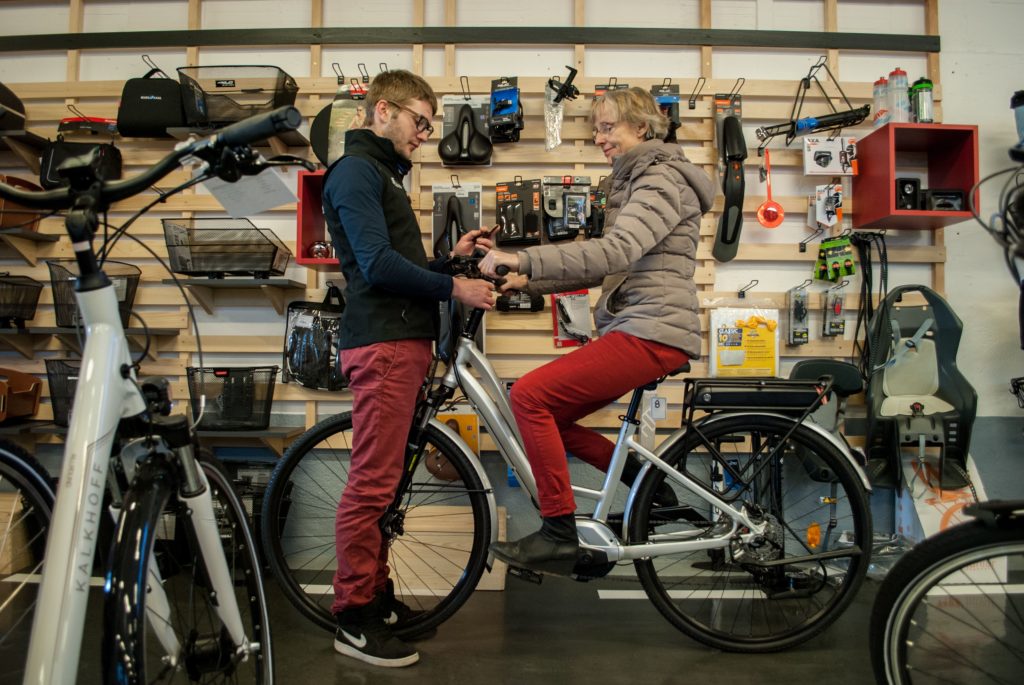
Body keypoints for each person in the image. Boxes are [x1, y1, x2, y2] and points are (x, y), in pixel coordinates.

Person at [480, 86, 716, 572]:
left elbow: (614, 253)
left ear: (643, 129)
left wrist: (523, 254)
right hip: (641, 326)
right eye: (596, 131)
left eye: (608, 128)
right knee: (551, 418)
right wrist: (530, 277)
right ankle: (646, 483)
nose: (600, 139)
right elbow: (606, 267)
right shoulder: (634, 182)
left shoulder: (659, 180)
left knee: (529, 397)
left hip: (652, 330)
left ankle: (558, 532)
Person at [322, 69, 496, 668]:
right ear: (382, 111)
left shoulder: (379, 175)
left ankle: (376, 596)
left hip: (400, 342)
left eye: (429, 124)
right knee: (373, 486)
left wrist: (450, 259)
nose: (425, 133)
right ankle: (353, 617)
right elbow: (375, 267)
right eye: (419, 120)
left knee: (385, 485)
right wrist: (454, 287)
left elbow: (393, 261)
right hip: (387, 344)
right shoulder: (356, 172)